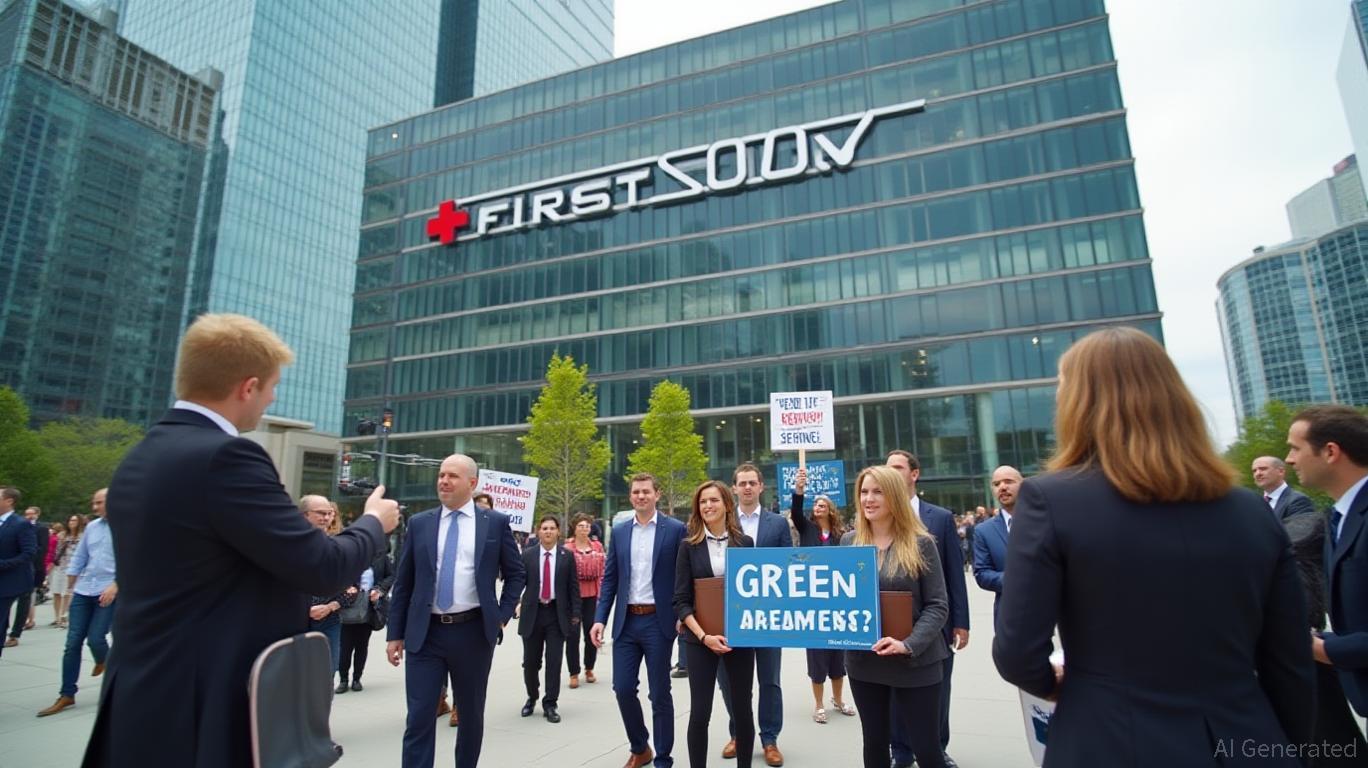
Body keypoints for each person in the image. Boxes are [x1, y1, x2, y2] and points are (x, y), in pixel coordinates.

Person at [80, 313, 400, 767]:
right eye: (272, 386)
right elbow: (321, 565)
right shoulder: (228, 457)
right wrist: (372, 522)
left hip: (142, 694)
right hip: (204, 703)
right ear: (248, 387)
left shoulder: (141, 455)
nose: (272, 398)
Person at [993, 326, 1313, 766]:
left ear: (1079, 404)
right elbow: (1290, 663)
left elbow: (1017, 652)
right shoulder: (1252, 511)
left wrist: (1056, 685)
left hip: (1109, 738)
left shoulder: (1050, 500)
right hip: (1244, 737)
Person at [387, 453, 524, 768]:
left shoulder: (494, 523)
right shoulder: (420, 523)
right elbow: (404, 582)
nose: (444, 481)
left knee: (471, 717)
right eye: (441, 475)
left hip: (473, 633)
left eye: (452, 476)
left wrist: (501, 616)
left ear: (472, 483)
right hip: (425, 635)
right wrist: (395, 633)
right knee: (419, 717)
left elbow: (516, 574)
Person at [841, 466, 949, 768]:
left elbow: (938, 605)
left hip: (915, 662)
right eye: (864, 492)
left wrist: (908, 644)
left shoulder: (921, 543)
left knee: (927, 750)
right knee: (874, 744)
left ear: (895, 497)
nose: (869, 499)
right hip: (865, 662)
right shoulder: (848, 542)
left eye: (878, 492)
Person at [591, 473, 687, 768]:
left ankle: (663, 758)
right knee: (622, 688)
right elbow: (610, 579)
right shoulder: (620, 531)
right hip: (626, 623)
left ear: (657, 494)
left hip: (659, 623)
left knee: (659, 693)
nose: (641, 496)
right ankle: (640, 747)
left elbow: (684, 576)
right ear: (630, 496)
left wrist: (683, 614)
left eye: (646, 491)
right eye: (636, 492)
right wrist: (600, 619)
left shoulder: (675, 529)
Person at [885, 450, 968, 768]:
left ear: (914, 474)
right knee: (894, 689)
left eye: (897, 467)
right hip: (894, 623)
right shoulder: (880, 518)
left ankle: (936, 747)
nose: (891, 472)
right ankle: (901, 750)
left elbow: (954, 573)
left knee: (939, 688)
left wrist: (961, 621)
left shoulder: (940, 518)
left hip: (937, 621)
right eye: (887, 467)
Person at [1288, 406, 1368, 723]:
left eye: (1295, 448)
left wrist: (1322, 650)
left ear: (1330, 452)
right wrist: (1325, 640)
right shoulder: (1340, 517)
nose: (1289, 459)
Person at [675, 480, 756, 768]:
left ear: (727, 504)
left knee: (743, 710)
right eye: (702, 502)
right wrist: (704, 636)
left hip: (739, 639)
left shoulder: (745, 543)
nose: (708, 506)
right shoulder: (688, 547)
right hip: (700, 640)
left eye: (713, 500)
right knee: (700, 713)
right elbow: (681, 601)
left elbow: (754, 593)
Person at [720, 463, 790, 767]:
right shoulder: (723, 521)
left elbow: (789, 566)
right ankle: (738, 733)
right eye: (742, 483)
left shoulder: (778, 524)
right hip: (732, 616)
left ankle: (770, 738)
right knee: (731, 681)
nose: (747, 488)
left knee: (769, 679)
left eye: (752, 483)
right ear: (734, 488)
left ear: (761, 486)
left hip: (769, 615)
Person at [37, 488, 118, 717]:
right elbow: (81, 555)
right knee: (72, 643)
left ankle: (111, 672)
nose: (94, 507)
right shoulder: (92, 527)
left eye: (99, 502)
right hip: (84, 589)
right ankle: (67, 694)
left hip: (109, 590)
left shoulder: (130, 525)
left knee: (96, 638)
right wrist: (72, 580)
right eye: (94, 503)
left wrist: (117, 584)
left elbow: (136, 559)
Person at [787, 470, 855, 723]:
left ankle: (838, 699)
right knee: (816, 654)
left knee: (838, 654)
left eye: (822, 505)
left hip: (836, 601)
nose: (817, 507)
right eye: (815, 504)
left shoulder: (840, 535)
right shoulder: (806, 528)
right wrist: (799, 490)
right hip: (812, 602)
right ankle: (818, 704)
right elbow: (796, 511)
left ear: (830, 510)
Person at [518, 515, 580, 723]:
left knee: (554, 662)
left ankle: (550, 703)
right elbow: (517, 583)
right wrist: (513, 605)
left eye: (552, 528)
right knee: (530, 663)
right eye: (544, 528)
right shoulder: (527, 555)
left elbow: (573, 587)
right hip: (533, 614)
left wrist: (576, 614)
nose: (548, 531)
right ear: (538, 531)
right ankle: (532, 696)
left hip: (556, 614)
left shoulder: (566, 556)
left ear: (558, 532)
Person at [300, 495, 357, 676]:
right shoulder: (290, 545)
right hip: (295, 622)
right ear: (304, 515)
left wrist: (330, 607)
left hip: (329, 621)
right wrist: (305, 609)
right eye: (320, 513)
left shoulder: (337, 547)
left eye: (329, 513)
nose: (326, 518)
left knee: (326, 674)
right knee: (298, 675)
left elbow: (353, 589)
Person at [338, 543, 395, 694]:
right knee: (345, 646)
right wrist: (346, 587)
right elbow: (337, 574)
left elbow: (391, 575)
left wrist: (379, 590)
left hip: (369, 606)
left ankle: (357, 679)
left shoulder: (380, 558)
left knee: (362, 645)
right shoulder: (349, 556)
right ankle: (343, 680)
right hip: (348, 605)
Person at [971, 466, 1021, 628]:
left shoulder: (1044, 521)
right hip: (1009, 618)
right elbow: (982, 573)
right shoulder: (984, 531)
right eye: (996, 484)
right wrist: (1015, 579)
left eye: (1008, 481)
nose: (1002, 487)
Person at [565, 512, 605, 689]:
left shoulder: (597, 546)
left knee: (591, 633)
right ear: (574, 528)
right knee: (572, 635)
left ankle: (589, 668)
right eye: (581, 526)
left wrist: (602, 593)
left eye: (587, 526)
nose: (584, 529)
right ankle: (573, 672)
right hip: (573, 597)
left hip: (592, 595)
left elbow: (603, 571)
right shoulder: (567, 548)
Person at [0, 487, 35, 660]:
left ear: (9, 501)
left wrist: (4, 564)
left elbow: (29, 553)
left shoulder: (21, 524)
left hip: (8, 583)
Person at [6, 505, 47, 647]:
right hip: (11, 569)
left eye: (32, 513)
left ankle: (15, 634)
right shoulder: (14, 526)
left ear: (37, 514)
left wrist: (30, 563)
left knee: (24, 601)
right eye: (26, 513)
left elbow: (41, 549)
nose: (29, 516)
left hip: (31, 569)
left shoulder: (41, 528)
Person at [1252, 455, 1316, 521]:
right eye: (1254, 471)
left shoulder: (1298, 501)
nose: (1257, 474)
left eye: (1263, 469)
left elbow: (1300, 527)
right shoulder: (1254, 503)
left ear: (1281, 471)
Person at [48, 515, 83, 628]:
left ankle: (64, 616)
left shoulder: (83, 536)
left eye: (75, 520)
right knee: (56, 592)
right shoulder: (61, 535)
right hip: (60, 566)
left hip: (73, 567)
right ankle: (57, 617)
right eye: (70, 520)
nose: (72, 522)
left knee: (67, 593)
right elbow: (54, 551)